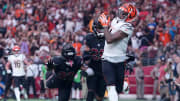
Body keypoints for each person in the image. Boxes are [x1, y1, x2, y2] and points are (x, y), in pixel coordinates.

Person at [98, 3, 138, 101]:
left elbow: (110, 39)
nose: (120, 14)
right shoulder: (115, 20)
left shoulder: (128, 27)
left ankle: (124, 83)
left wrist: (105, 26)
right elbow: (108, 34)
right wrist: (99, 32)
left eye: (123, 13)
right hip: (107, 58)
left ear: (129, 17)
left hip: (119, 60)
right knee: (111, 86)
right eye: (120, 11)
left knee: (118, 89)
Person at [81, 18, 106, 101]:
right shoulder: (89, 38)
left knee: (100, 96)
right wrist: (86, 66)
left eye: (102, 28)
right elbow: (85, 56)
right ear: (95, 28)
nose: (101, 30)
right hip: (93, 68)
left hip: (103, 70)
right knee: (90, 92)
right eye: (99, 28)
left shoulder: (108, 39)